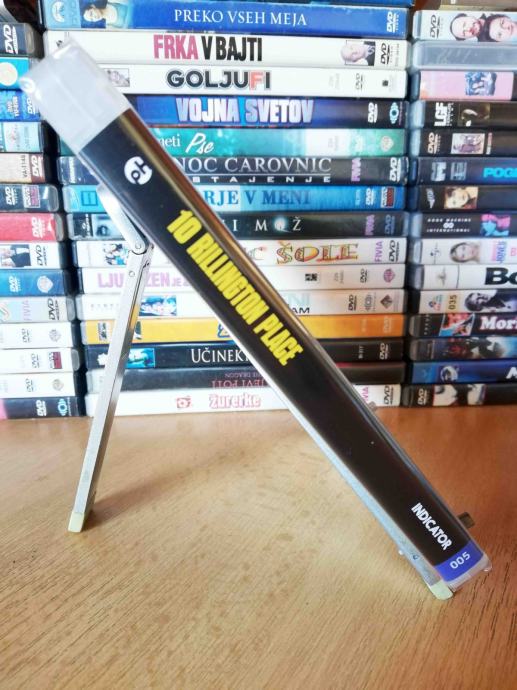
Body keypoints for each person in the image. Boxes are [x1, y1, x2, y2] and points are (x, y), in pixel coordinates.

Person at [450, 12, 517, 42]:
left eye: (464, 24)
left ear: (468, 16)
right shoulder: (485, 45)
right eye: (464, 33)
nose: (468, 29)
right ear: (467, 38)